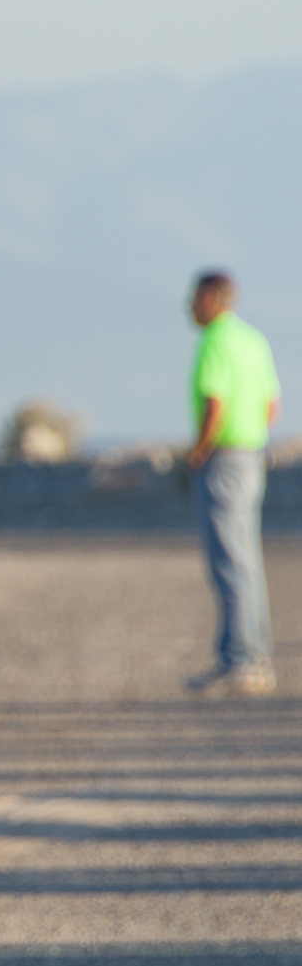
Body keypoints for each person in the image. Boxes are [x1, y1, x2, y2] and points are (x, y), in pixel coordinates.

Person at [184, 269, 282, 696]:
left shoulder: (216, 341)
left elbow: (214, 402)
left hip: (224, 458)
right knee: (247, 559)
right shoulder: (253, 340)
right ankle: (255, 657)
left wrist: (200, 450)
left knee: (228, 560)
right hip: (252, 455)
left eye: (195, 296)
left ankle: (239, 660)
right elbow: (271, 405)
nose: (189, 304)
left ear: (211, 298)